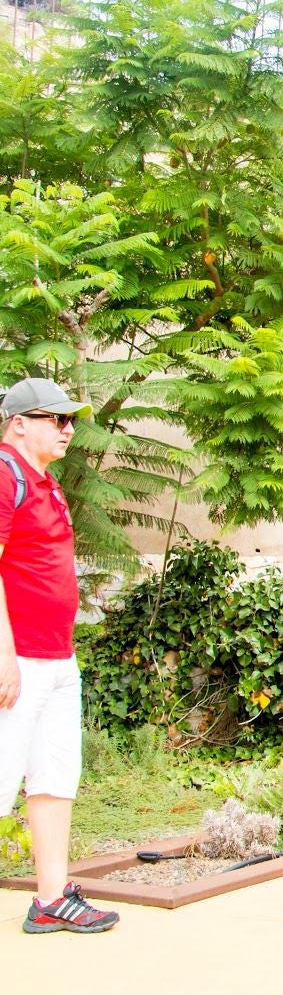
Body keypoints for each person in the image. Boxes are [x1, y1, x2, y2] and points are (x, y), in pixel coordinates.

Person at [0, 377, 119, 934]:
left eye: (71, 419)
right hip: (16, 660)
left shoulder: (45, 482)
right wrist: (3, 655)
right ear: (19, 423)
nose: (68, 428)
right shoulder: (4, 474)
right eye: (56, 418)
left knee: (53, 777)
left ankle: (51, 898)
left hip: (55, 658)